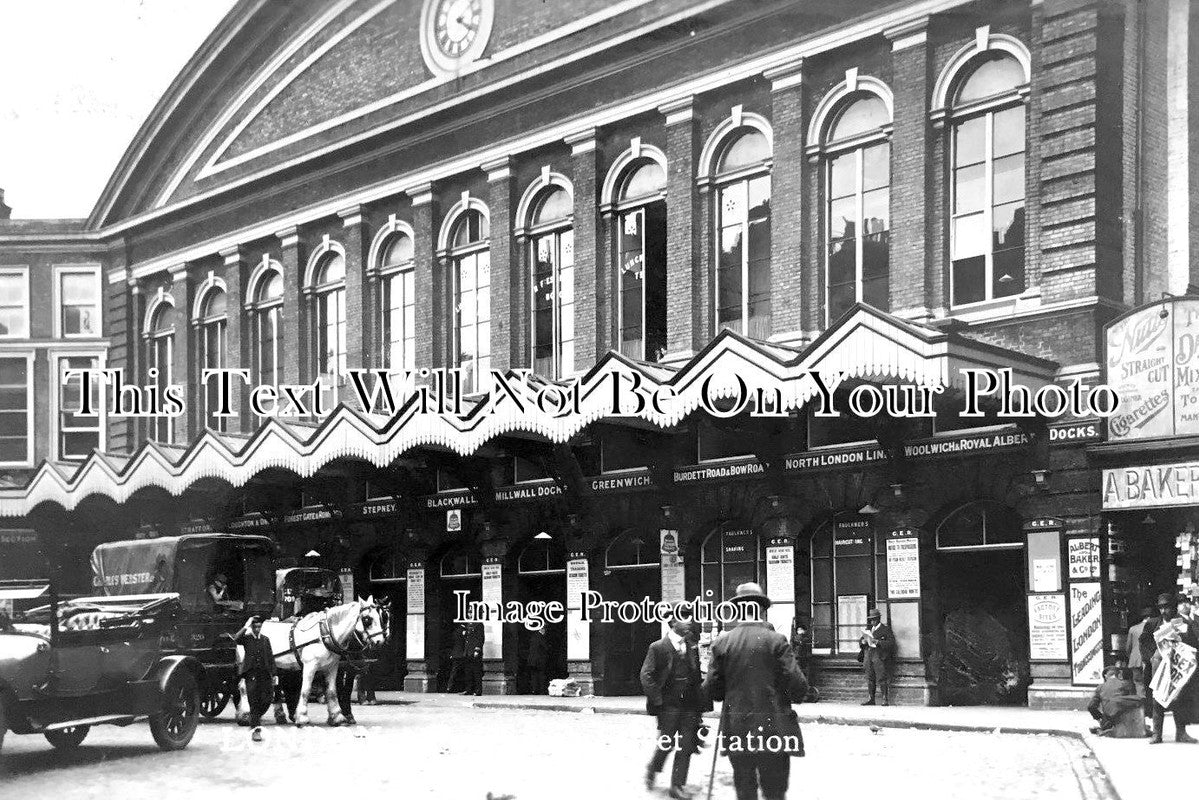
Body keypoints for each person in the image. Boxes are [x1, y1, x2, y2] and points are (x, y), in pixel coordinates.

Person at [704, 583, 807, 800]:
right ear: (761, 609)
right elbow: (798, 685)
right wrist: (787, 697)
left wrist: (729, 691)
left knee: (744, 789)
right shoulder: (776, 640)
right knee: (775, 791)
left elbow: (712, 689)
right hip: (775, 728)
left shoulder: (723, 643)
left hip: (738, 727)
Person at [641, 617, 711, 799]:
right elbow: (646, 675)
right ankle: (652, 768)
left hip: (689, 705)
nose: (689, 622)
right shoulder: (657, 647)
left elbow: (696, 676)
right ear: (672, 623)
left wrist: (700, 707)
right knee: (667, 743)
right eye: (684, 618)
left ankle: (677, 786)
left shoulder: (692, 645)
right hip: (668, 705)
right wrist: (657, 700)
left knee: (686, 745)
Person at [1140, 592, 1199, 744]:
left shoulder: (1182, 623)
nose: (1163, 611)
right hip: (1159, 666)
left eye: (1166, 607)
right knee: (1158, 699)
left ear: (1174, 607)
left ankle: (1181, 733)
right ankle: (1157, 734)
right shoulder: (1153, 623)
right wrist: (1151, 656)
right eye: (1161, 607)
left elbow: (1193, 643)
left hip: (1176, 667)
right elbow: (1144, 642)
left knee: (1179, 698)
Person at [235, 615, 276, 740]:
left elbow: (270, 657)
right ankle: (255, 730)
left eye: (259, 626)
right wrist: (246, 626)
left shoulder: (265, 640)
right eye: (255, 627)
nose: (257, 629)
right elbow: (236, 638)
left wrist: (274, 674)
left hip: (264, 675)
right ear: (252, 627)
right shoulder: (246, 639)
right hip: (251, 675)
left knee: (266, 699)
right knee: (254, 701)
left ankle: (255, 718)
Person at [1087, 666, 1142, 736]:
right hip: (1127, 721)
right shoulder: (1127, 684)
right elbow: (1134, 702)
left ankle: (1107, 729)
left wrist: (1100, 718)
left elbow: (1090, 706)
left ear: (1105, 676)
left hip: (1108, 721)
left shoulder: (1100, 687)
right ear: (1119, 675)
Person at [859, 608, 896, 706]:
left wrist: (878, 642)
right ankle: (871, 698)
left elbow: (891, 643)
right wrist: (862, 642)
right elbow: (861, 641)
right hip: (868, 655)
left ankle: (885, 699)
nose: (872, 621)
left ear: (879, 618)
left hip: (879, 656)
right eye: (871, 619)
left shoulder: (885, 629)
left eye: (874, 619)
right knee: (869, 677)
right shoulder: (868, 629)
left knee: (881, 677)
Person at [444, 622, 469, 693]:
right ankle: (463, 688)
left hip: (455, 654)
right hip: (463, 654)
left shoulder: (455, 631)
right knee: (465, 672)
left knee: (454, 671)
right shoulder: (465, 631)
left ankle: (449, 687)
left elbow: (452, 643)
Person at [526, 627, 548, 695]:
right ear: (542, 629)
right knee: (541, 675)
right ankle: (541, 690)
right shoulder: (541, 637)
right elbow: (546, 647)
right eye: (545, 630)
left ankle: (534, 690)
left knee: (534, 675)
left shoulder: (533, 636)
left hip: (532, 660)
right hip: (539, 661)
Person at [465, 620, 485, 696]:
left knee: (477, 672)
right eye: (469, 612)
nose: (469, 614)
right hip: (468, 652)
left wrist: (477, 649)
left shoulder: (479, 625)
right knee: (468, 672)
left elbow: (480, 638)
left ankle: (478, 690)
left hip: (474, 652)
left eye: (471, 612)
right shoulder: (468, 624)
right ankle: (468, 689)